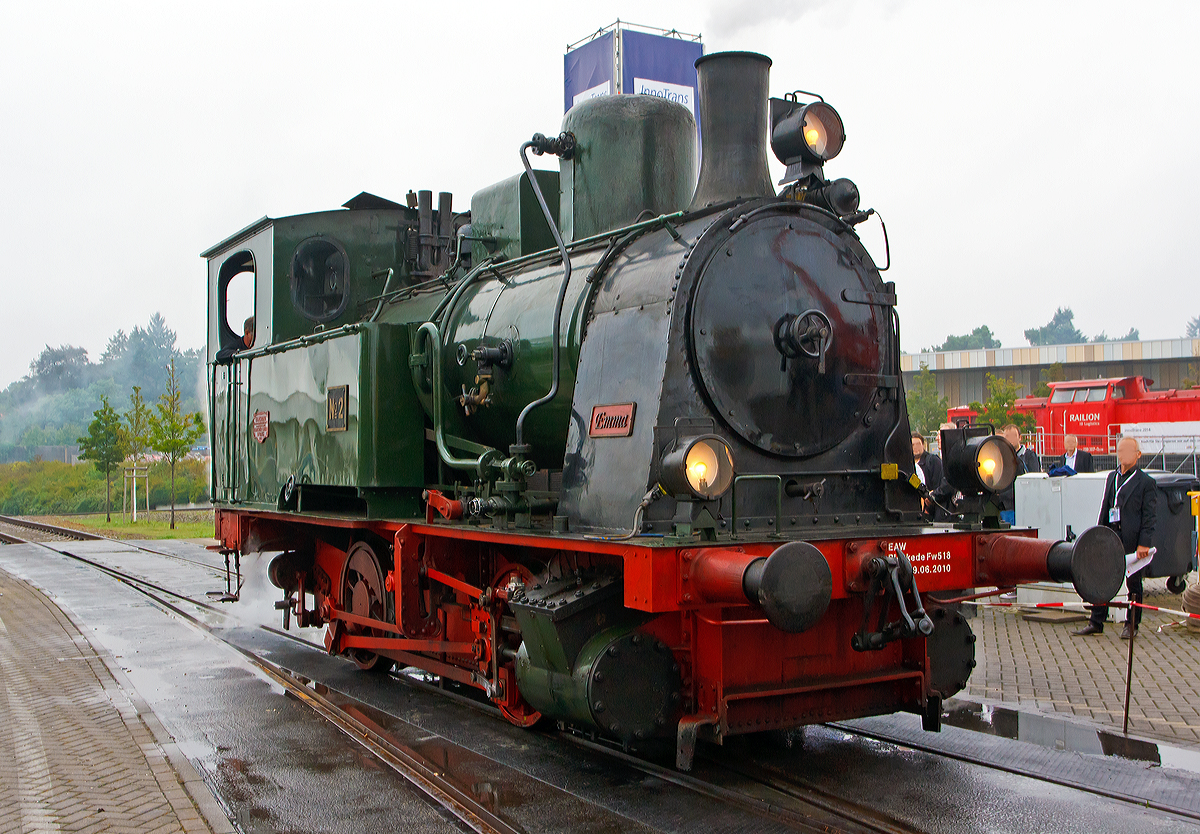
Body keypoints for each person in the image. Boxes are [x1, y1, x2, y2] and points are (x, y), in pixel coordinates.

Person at [1074, 436, 1157, 639]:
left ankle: (1132, 623)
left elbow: (1149, 516)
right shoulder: (1112, 477)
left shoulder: (1146, 482)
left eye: (1129, 451)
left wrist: (1144, 543)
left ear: (1138, 455)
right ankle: (1096, 620)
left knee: (1133, 582)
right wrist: (1098, 532)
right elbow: (1106, 506)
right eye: (1121, 451)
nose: (1124, 455)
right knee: (1101, 577)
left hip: (1132, 537)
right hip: (1110, 535)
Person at [994, 424, 1028, 524]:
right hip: (999, 508)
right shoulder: (996, 460)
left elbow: (1021, 485)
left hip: (1011, 507)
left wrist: (1001, 496)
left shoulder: (1019, 461)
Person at [912, 432, 945, 520]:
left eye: (918, 444)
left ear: (923, 445)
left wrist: (929, 509)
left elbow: (938, 486)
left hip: (930, 512)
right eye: (912, 445)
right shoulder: (907, 466)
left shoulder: (933, 461)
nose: (915, 448)